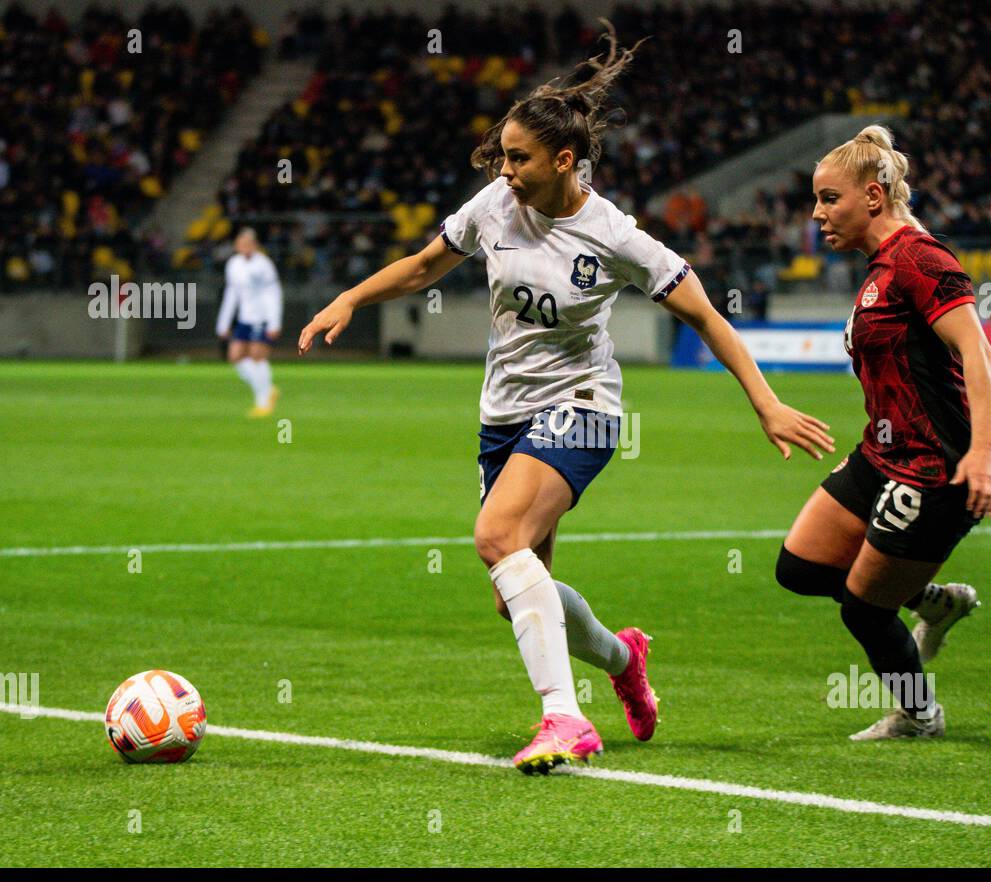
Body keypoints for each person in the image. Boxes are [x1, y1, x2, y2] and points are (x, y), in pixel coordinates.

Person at [298, 25, 833, 773]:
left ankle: (564, 718)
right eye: (503, 156)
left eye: (518, 157)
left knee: (494, 537)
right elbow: (424, 266)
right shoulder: (494, 206)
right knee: (518, 587)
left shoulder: (614, 236)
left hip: (582, 406)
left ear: (564, 159)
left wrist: (766, 404)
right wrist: (347, 299)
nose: (505, 169)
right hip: (503, 413)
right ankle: (623, 658)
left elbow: (706, 315)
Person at [775, 125, 991, 740]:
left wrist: (984, 450)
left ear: (872, 197)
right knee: (798, 567)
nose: (817, 215)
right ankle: (934, 602)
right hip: (882, 454)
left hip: (934, 467)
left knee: (863, 606)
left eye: (829, 199)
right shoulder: (882, 265)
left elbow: (977, 350)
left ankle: (918, 715)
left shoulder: (919, 259)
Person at [216, 228, 282, 417]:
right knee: (235, 356)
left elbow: (273, 293)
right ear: (237, 246)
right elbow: (232, 294)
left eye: (248, 243)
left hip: (261, 317)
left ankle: (263, 402)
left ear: (255, 245)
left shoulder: (264, 265)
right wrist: (223, 322)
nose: (245, 247)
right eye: (241, 243)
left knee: (257, 356)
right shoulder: (233, 264)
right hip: (245, 317)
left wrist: (274, 322)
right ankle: (269, 390)